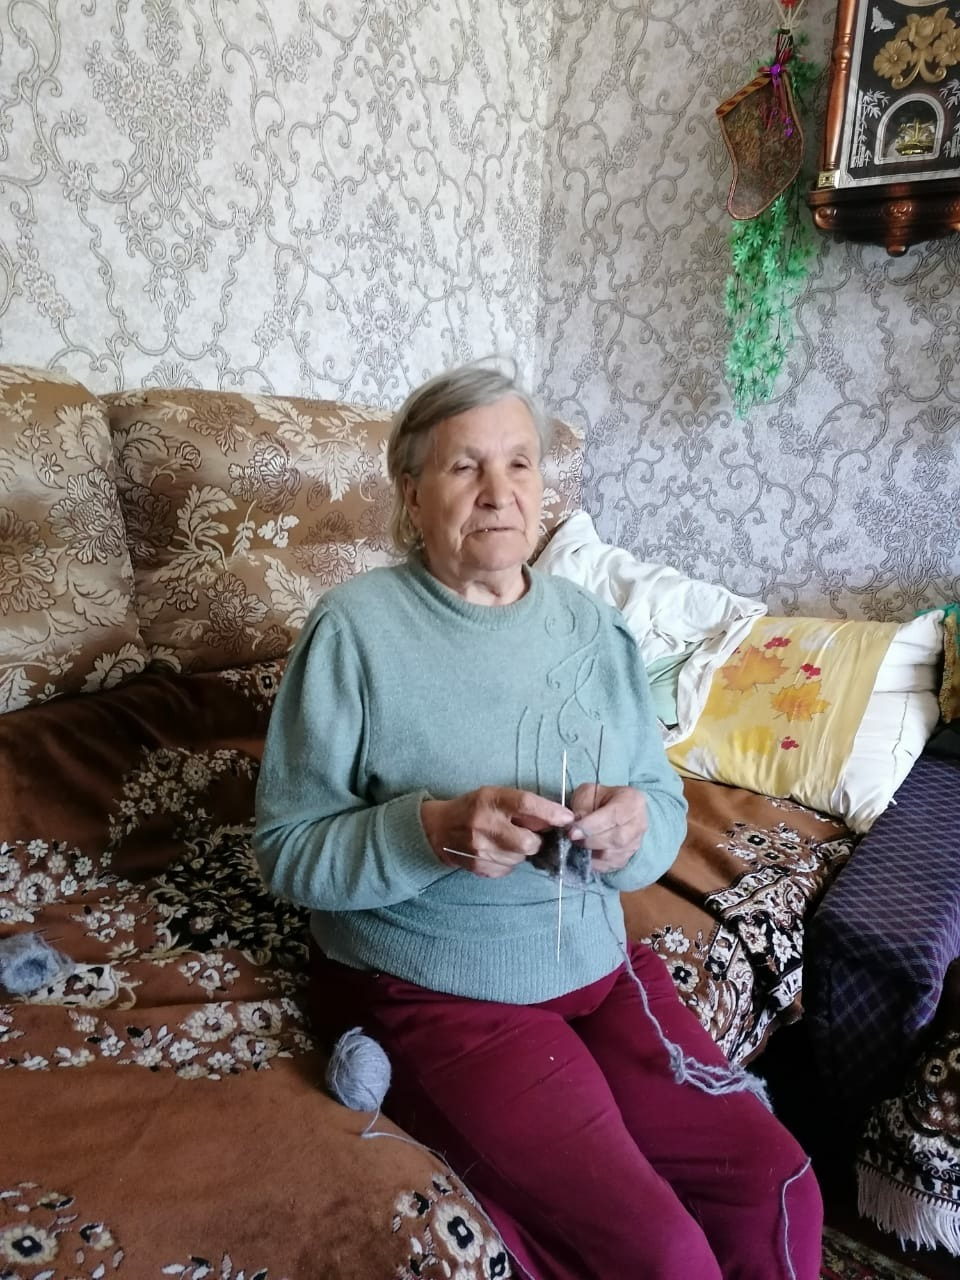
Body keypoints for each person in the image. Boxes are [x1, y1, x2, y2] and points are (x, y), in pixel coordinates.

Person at [253, 361, 823, 1280]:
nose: (499, 491)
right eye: (464, 466)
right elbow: (286, 852)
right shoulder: (353, 631)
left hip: (597, 966)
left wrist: (634, 828)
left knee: (781, 1184)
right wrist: (426, 831)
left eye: (519, 463)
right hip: (439, 987)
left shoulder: (597, 631)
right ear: (411, 493)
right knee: (661, 1254)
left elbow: (660, 806)